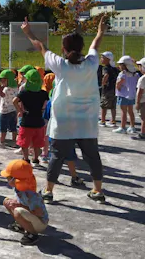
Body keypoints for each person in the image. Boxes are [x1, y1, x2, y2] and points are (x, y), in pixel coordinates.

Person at [21, 16, 107, 204]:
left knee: (57, 156)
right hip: (87, 121)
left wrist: (28, 32)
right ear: (81, 47)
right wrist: (100, 31)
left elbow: (41, 46)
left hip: (64, 121)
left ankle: (49, 191)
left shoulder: (60, 65)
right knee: (92, 156)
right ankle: (97, 191)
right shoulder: (92, 63)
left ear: (64, 48)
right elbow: (96, 44)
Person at [1, 159, 49, 246]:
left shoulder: (31, 195)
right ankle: (22, 225)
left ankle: (33, 234)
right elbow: (22, 202)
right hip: (32, 218)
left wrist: (19, 205)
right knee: (6, 201)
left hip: (41, 223)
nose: (7, 179)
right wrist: (15, 203)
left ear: (16, 180)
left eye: (8, 177)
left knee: (18, 212)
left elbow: (39, 213)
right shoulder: (19, 188)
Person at [13, 69, 48, 164]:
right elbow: (45, 104)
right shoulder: (43, 93)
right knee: (37, 142)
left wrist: (20, 111)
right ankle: (36, 159)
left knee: (24, 141)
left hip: (26, 120)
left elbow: (14, 101)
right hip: (39, 120)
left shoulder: (24, 93)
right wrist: (42, 110)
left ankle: (26, 158)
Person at [113, 56, 139, 134]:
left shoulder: (122, 74)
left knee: (123, 112)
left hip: (123, 95)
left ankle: (122, 127)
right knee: (131, 111)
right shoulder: (136, 74)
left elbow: (119, 83)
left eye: (121, 64)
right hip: (132, 95)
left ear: (125, 65)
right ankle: (132, 127)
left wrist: (118, 88)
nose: (119, 66)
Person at [0, 69, 19, 148]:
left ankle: (2, 142)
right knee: (13, 126)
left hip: (5, 111)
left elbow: (1, 94)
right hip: (13, 110)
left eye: (2, 80)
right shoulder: (15, 86)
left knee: (3, 127)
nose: (1, 81)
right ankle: (14, 141)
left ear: (7, 80)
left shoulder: (6, 89)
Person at [99, 52, 118, 128]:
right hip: (114, 89)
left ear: (108, 59)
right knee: (113, 106)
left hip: (107, 89)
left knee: (104, 105)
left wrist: (103, 83)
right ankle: (113, 121)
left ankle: (103, 121)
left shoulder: (105, 68)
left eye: (102, 57)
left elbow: (106, 75)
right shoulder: (114, 68)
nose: (101, 59)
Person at [132, 58, 145, 140]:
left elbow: (139, 92)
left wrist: (137, 103)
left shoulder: (142, 78)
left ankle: (143, 133)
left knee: (143, 118)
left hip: (143, 101)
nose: (139, 68)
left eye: (140, 66)